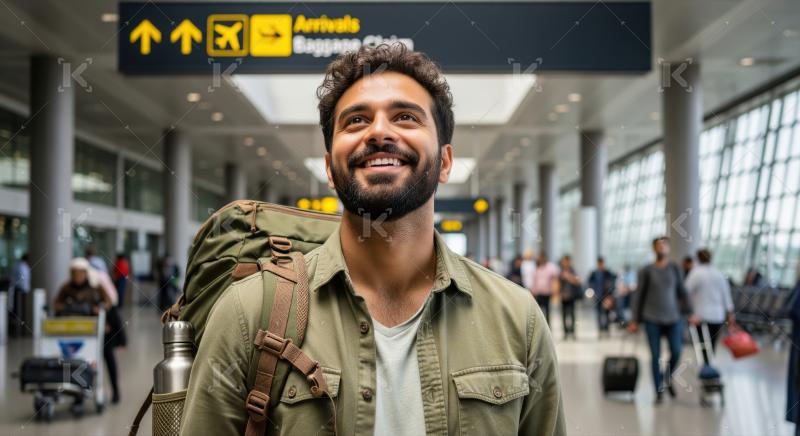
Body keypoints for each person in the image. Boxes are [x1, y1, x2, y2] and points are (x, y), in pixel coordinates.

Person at [181, 44, 565, 436]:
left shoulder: (519, 320)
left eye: (405, 117)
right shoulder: (248, 312)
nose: (379, 132)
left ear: (445, 162)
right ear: (330, 167)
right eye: (356, 121)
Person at [628, 237, 699, 403]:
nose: (661, 248)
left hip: (673, 318)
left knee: (676, 351)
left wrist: (691, 312)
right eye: (658, 245)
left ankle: (666, 377)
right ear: (654, 249)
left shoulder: (675, 269)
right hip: (652, 318)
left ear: (668, 248)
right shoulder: (646, 270)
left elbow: (682, 292)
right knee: (655, 356)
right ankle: (658, 390)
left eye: (664, 245)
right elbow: (638, 296)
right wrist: (634, 320)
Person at [54, 258, 122, 403]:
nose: (77, 276)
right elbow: (56, 304)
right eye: (74, 273)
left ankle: (115, 390)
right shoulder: (66, 288)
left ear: (85, 273)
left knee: (108, 357)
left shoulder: (96, 286)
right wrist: (66, 309)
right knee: (78, 361)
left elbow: (109, 301)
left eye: (80, 273)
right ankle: (79, 393)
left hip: (99, 330)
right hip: (77, 332)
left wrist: (100, 308)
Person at [684, 248, 735, 364]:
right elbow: (727, 297)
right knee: (712, 343)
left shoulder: (696, 273)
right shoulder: (719, 273)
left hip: (701, 315)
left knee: (701, 343)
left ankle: (705, 366)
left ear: (698, 258)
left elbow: (685, 292)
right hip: (718, 316)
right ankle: (708, 365)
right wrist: (730, 315)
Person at [587, 257, 617, 338]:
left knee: (607, 314)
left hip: (606, 297)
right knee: (599, 314)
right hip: (597, 297)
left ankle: (606, 329)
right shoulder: (594, 273)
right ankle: (600, 329)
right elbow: (590, 283)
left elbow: (612, 285)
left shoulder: (608, 273)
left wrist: (610, 296)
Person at [531, 251, 559, 325]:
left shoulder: (550, 267)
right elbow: (534, 281)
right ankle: (539, 327)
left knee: (547, 311)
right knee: (538, 312)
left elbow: (554, 279)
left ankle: (548, 326)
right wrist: (533, 292)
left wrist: (555, 291)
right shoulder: (537, 268)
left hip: (547, 293)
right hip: (538, 293)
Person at [558, 255, 582, 339]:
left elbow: (578, 281)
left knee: (572, 314)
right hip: (563, 296)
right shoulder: (561, 271)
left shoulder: (573, 271)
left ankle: (573, 332)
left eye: (566, 261)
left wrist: (568, 277)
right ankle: (565, 332)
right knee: (564, 315)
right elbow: (558, 283)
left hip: (572, 296)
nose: (564, 263)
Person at [8, 253, 30, 337]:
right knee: (17, 310)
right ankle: (16, 329)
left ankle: (18, 328)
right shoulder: (21, 266)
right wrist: (25, 290)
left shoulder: (21, 265)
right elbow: (22, 281)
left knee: (17, 310)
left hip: (21, 290)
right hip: (20, 291)